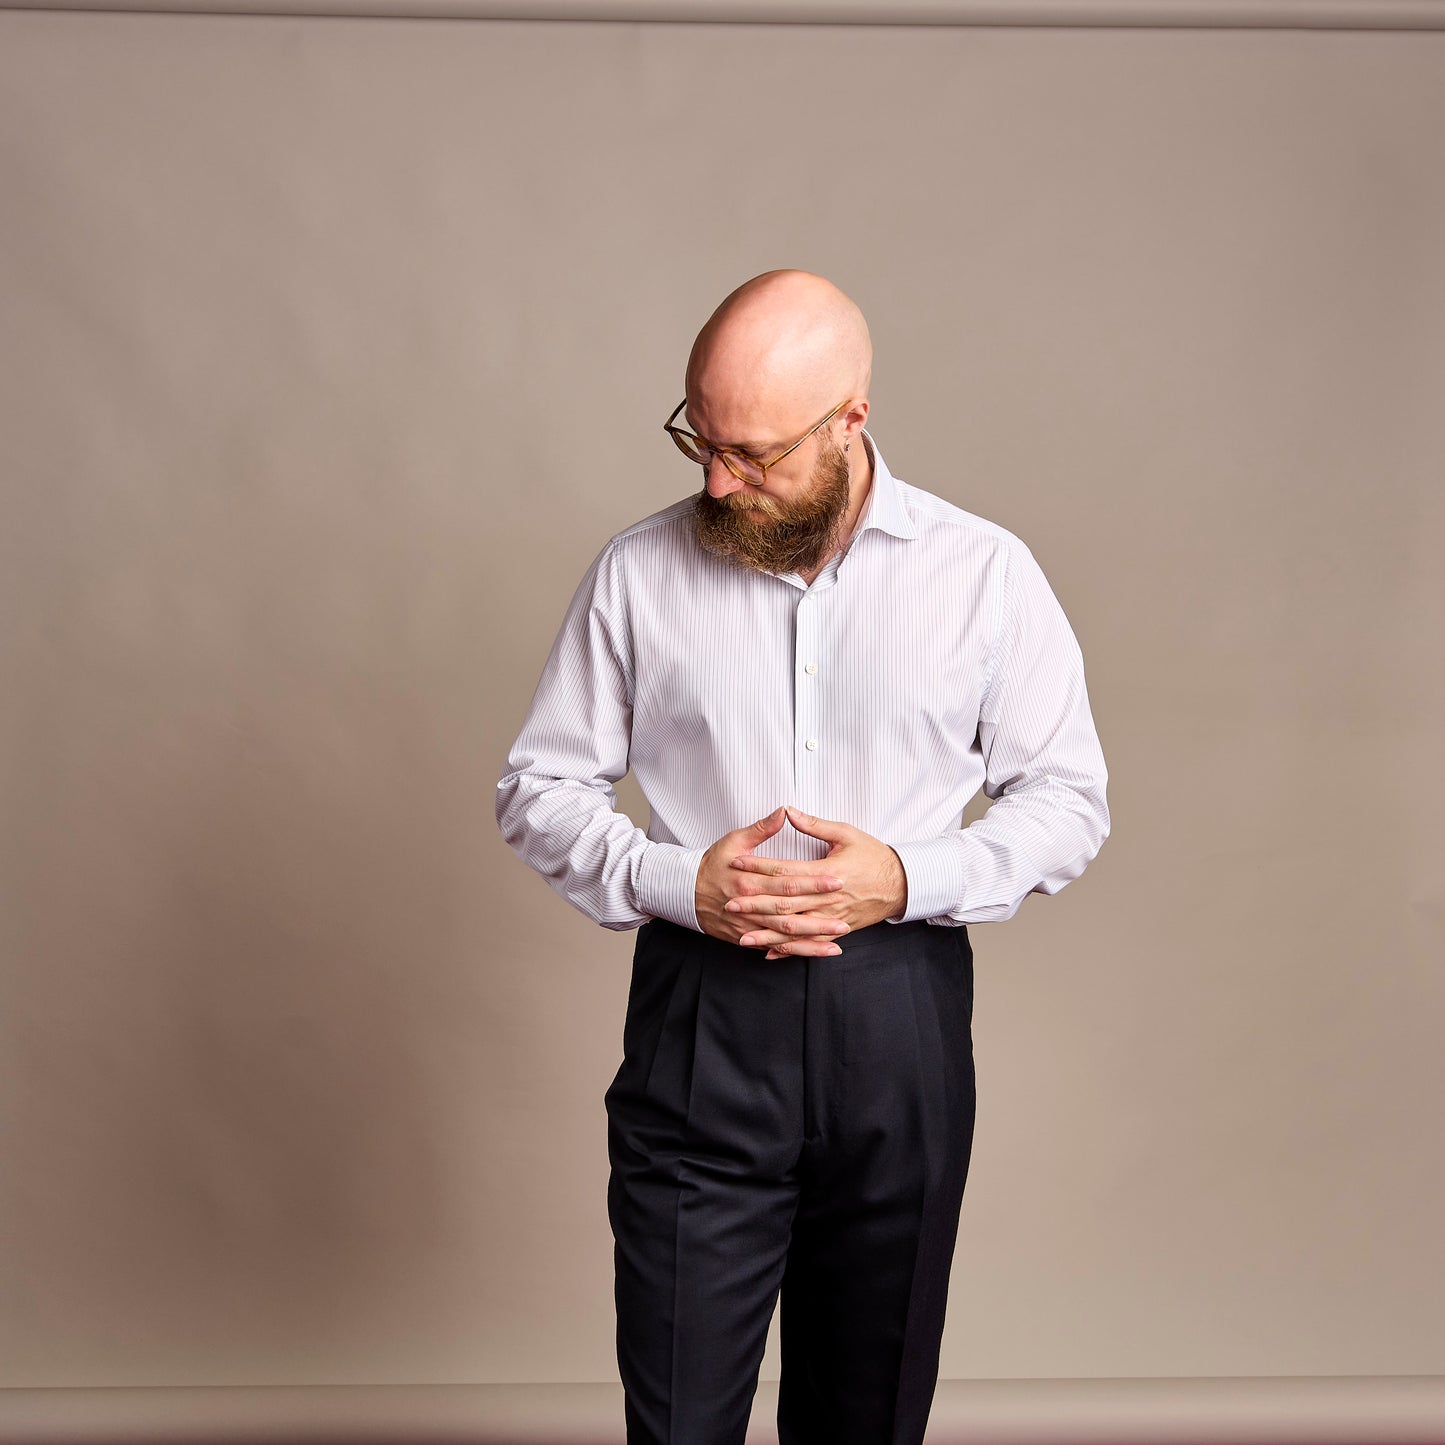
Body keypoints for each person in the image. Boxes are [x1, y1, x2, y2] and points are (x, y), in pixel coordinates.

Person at [496, 270, 1109, 1445]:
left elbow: (1068, 799)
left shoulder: (982, 574)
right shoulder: (637, 571)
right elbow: (535, 786)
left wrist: (910, 876)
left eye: (754, 452)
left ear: (850, 421)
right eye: (700, 441)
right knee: (677, 1418)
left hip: (900, 1021)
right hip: (699, 1024)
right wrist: (681, 881)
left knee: (865, 1416)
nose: (718, 479)